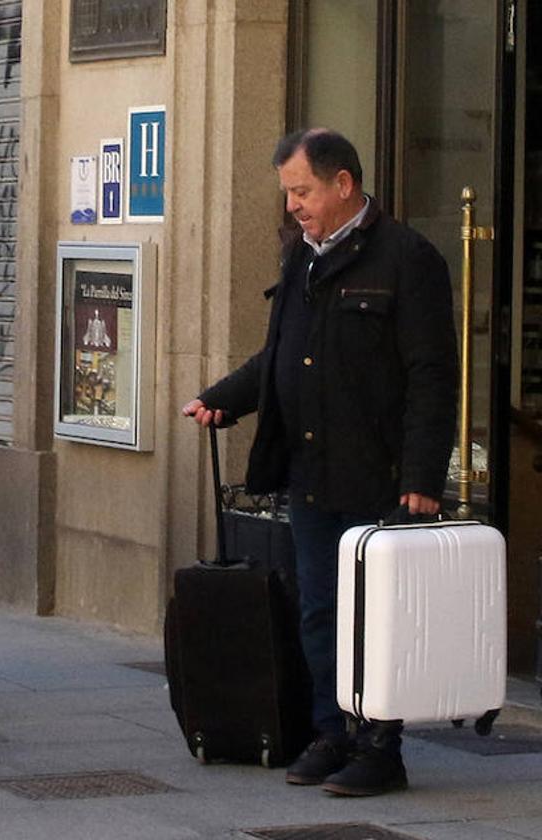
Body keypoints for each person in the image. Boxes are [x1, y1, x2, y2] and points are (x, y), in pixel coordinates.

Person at [182, 129, 458, 796]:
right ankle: (330, 731)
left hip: (379, 473)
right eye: (288, 193)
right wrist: (222, 399)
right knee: (318, 610)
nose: (295, 206)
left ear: (344, 184)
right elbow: (278, 353)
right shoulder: (300, 258)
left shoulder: (406, 258)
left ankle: (380, 747)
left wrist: (422, 477)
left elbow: (432, 376)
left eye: (302, 191)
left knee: (377, 617)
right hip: (310, 471)